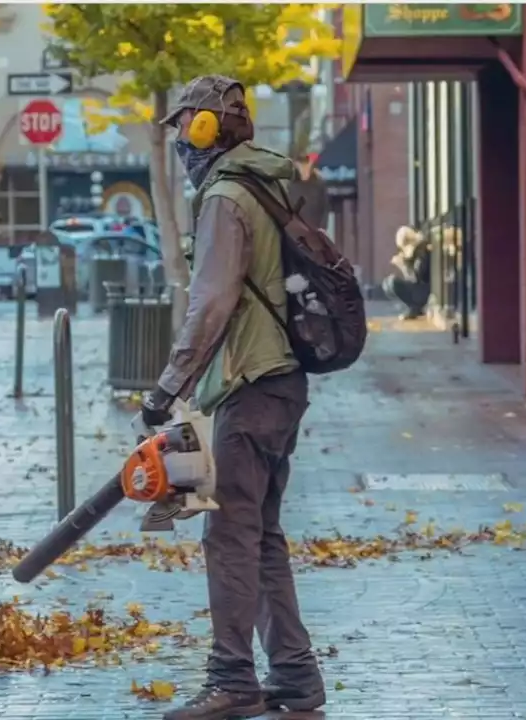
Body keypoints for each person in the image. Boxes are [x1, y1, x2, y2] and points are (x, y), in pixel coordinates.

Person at [140, 74, 326, 720]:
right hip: (281, 383)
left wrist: (169, 385)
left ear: (205, 128)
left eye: (184, 130)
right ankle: (297, 679)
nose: (181, 147)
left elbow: (213, 299)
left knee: (229, 534)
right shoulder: (264, 182)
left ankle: (232, 679)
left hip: (252, 384)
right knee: (260, 532)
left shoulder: (226, 195)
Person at [383, 225, 432, 319]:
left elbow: (417, 277)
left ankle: (415, 307)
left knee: (392, 282)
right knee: (387, 283)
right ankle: (412, 307)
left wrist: (403, 266)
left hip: (424, 291)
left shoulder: (422, 250)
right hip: (420, 289)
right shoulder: (416, 252)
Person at [288, 152, 330, 233]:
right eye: (299, 167)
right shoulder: (291, 184)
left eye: (305, 166)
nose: (302, 169)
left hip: (314, 230)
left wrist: (323, 227)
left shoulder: (319, 184)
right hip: (295, 231)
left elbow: (325, 207)